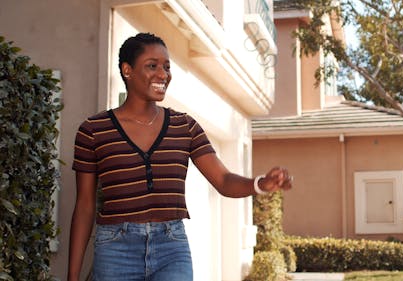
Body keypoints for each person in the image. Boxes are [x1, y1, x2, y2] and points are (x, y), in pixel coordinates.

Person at [67, 32, 292, 281]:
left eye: (166, 67)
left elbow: (224, 180)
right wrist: (73, 276)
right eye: (152, 66)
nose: (163, 74)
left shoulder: (184, 126)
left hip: (171, 248)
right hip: (115, 249)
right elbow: (85, 207)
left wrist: (260, 184)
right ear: (127, 70)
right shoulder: (94, 130)